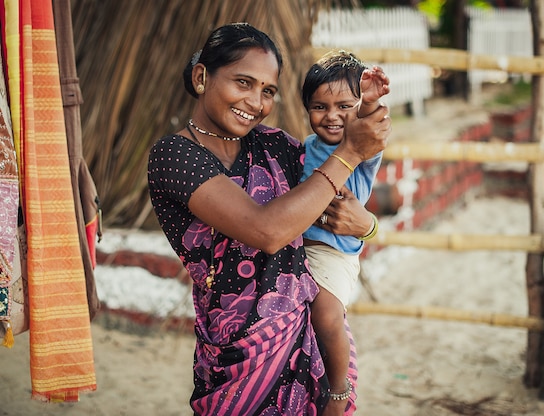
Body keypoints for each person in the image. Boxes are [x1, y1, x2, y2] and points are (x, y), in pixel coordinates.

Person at [147, 23, 390, 416]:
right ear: (201, 76)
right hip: (237, 356)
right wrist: (349, 153)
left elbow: (339, 192)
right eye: (243, 82)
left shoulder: (275, 145)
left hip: (310, 339)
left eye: (268, 91)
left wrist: (369, 227)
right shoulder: (175, 156)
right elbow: (267, 230)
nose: (255, 101)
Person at [300, 50, 389, 416]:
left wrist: (368, 100)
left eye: (344, 105)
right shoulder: (307, 147)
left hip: (334, 253)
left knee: (326, 316)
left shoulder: (362, 148)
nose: (332, 115)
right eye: (320, 106)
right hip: (303, 247)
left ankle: (338, 390)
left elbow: (368, 123)